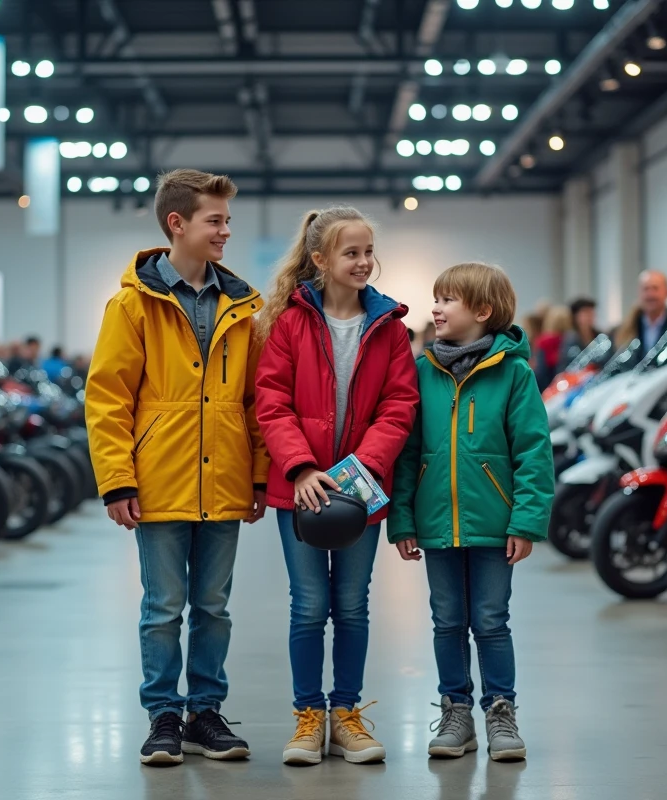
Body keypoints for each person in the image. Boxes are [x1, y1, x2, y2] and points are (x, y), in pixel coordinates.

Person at [84, 168, 270, 767]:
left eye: (227, 221)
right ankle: (163, 714)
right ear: (178, 224)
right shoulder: (132, 305)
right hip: (159, 479)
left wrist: (259, 472)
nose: (225, 232)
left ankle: (205, 714)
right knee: (162, 606)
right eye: (215, 221)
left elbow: (256, 400)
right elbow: (107, 396)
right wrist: (117, 478)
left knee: (213, 605)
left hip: (225, 480)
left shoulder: (242, 306)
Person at [253, 207, 419, 766]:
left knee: (351, 607)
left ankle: (346, 714)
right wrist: (300, 467)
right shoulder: (289, 322)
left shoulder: (391, 328)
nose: (364, 262)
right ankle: (308, 718)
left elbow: (400, 405)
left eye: (369, 251)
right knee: (308, 606)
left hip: (361, 491)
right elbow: (271, 402)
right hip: (301, 491)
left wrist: (365, 466)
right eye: (352, 253)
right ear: (320, 260)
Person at [388, 262, 554, 763]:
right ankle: (455, 712)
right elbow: (407, 451)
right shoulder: (422, 371)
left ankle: (500, 712)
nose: (435, 308)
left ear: (483, 311)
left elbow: (533, 450)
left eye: (448, 300)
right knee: (446, 620)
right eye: (436, 298)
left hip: (493, 527)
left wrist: (525, 521)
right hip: (436, 524)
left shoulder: (515, 374)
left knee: (490, 620)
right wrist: (403, 519)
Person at [534, 305, 571, 391]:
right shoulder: (569, 340)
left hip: (547, 385)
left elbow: (540, 370)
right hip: (564, 384)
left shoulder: (543, 341)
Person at [559, 297, 600, 369]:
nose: (590, 316)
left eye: (592, 312)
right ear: (576, 316)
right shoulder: (569, 339)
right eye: (586, 312)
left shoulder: (600, 336)